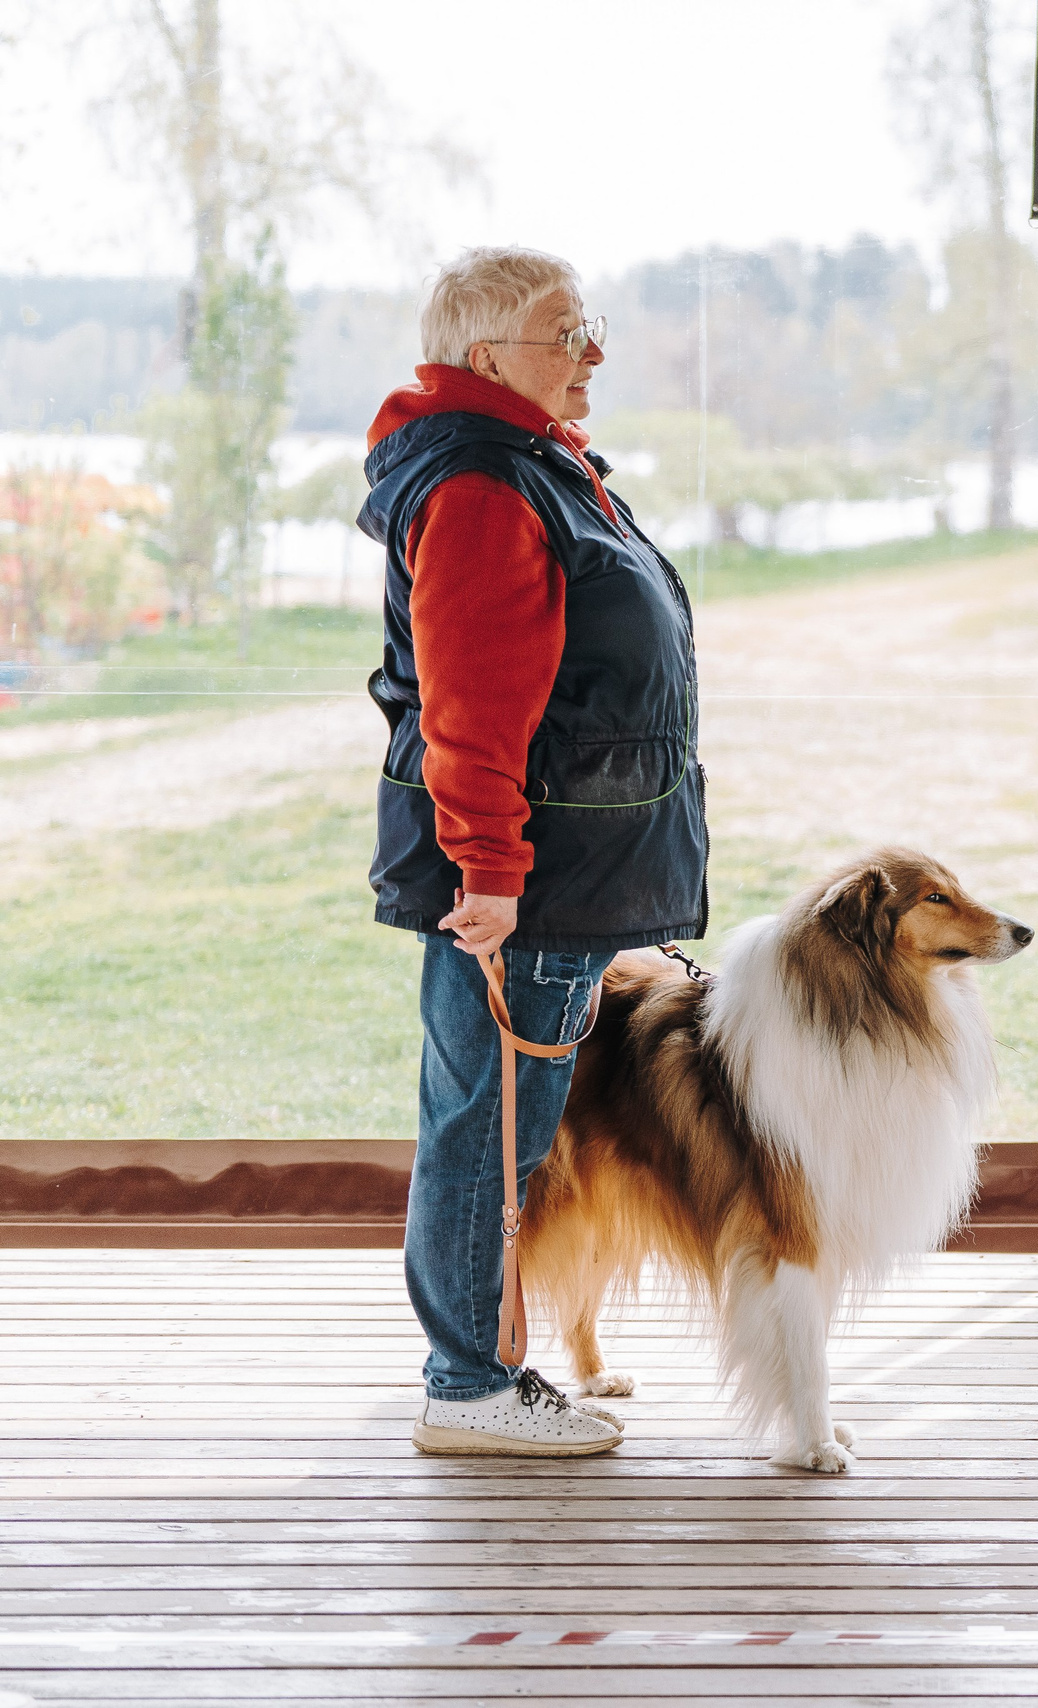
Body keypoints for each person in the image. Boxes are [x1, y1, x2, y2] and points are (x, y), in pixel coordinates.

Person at [359, 246, 708, 1456]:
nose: (592, 351)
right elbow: (474, 705)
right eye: (566, 331)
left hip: (560, 875)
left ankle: (482, 1369)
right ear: (484, 355)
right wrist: (494, 876)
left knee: (502, 1120)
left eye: (588, 326)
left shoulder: (531, 466)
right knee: (493, 1129)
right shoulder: (482, 486)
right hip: (528, 885)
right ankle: (469, 1387)